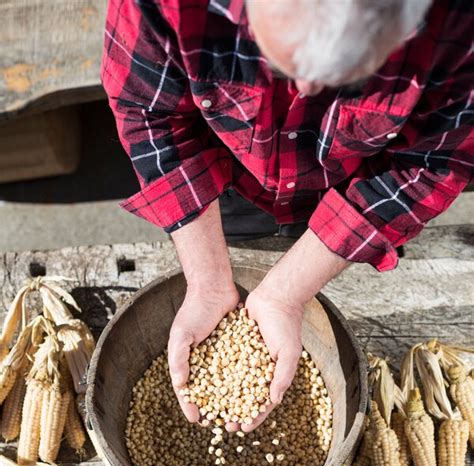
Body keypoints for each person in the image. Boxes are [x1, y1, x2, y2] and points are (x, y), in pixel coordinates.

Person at [102, 0, 473, 432]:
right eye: (284, 60)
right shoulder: (168, 6)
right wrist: (207, 282)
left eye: (351, 73)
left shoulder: (460, 25)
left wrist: (284, 294)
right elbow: (148, 113)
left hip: (357, 188)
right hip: (228, 180)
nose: (308, 87)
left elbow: (430, 163)